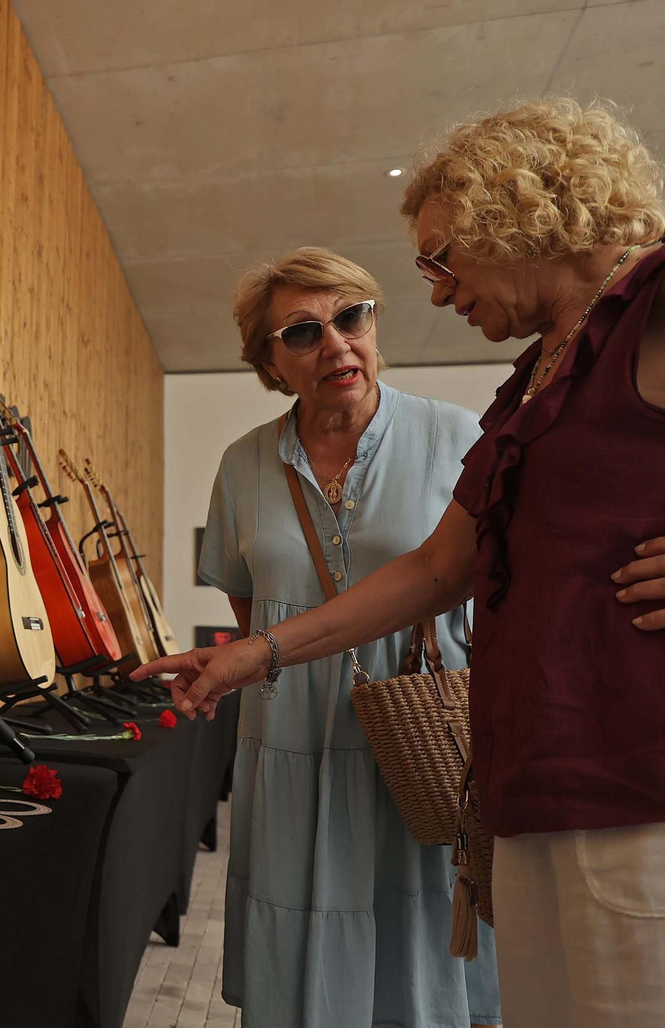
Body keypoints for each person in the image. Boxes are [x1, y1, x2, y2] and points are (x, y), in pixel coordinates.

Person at [141, 98, 665, 1027]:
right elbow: (434, 571)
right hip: (528, 781)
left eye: (438, 258)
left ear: (509, 217)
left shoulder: (651, 301)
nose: (434, 291)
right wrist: (253, 653)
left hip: (625, 779)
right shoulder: (535, 376)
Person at [190, 246, 500, 1028]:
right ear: (270, 361)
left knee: (418, 920)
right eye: (302, 332)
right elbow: (250, 611)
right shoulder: (242, 465)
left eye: (351, 317)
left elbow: (502, 584)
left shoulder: (455, 436)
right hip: (291, 737)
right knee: (300, 934)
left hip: (423, 731)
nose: (336, 345)